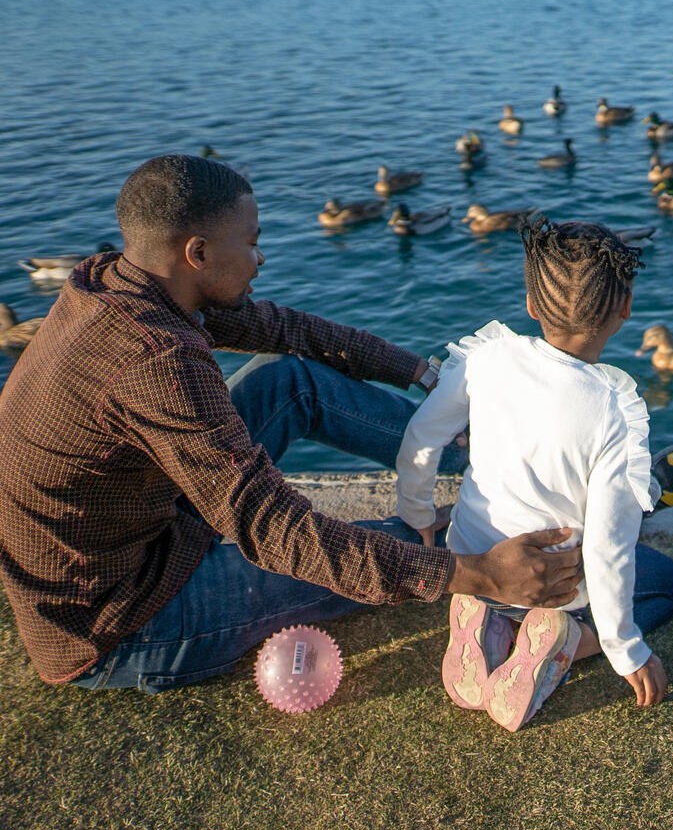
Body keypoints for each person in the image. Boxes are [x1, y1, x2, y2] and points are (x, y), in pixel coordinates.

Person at [0, 154, 584, 693]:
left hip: (135, 529)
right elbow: (271, 527)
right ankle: (493, 534)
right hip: (117, 618)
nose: (261, 258)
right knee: (425, 546)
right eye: (252, 244)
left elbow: (288, 332)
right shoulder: (156, 360)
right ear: (197, 254)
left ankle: (503, 462)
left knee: (289, 378)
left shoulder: (111, 279)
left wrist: (427, 376)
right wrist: (472, 572)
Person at [396, 217, 673, 731]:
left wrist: (417, 512)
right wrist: (626, 649)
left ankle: (484, 616)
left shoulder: (488, 358)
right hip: (557, 586)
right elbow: (609, 548)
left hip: (473, 560)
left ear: (532, 305)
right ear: (625, 312)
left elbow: (421, 438)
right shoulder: (613, 409)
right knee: (664, 582)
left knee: (505, 571)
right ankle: (566, 640)